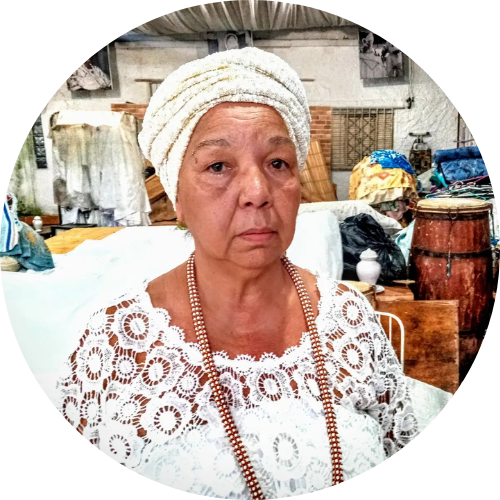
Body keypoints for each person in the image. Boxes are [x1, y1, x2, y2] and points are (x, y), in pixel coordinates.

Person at [55, 47, 418, 497]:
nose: (257, 191)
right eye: (218, 166)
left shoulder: (351, 320)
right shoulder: (116, 345)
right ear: (176, 195)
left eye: (278, 163)